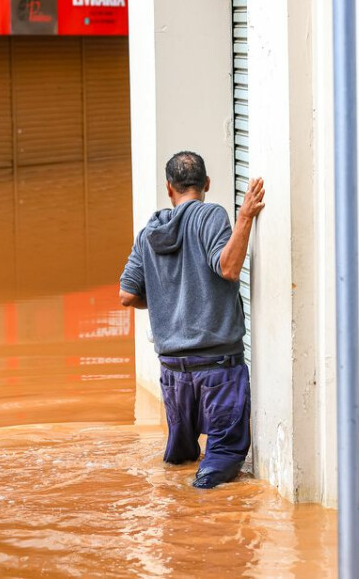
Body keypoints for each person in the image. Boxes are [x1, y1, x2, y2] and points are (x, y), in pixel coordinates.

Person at [118, 151, 265, 489]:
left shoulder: (149, 233)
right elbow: (228, 268)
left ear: (169, 188)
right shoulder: (210, 215)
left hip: (173, 373)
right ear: (207, 184)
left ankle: (176, 511)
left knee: (180, 461)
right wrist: (245, 218)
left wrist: (164, 300)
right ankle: (198, 513)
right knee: (219, 465)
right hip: (218, 368)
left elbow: (126, 295)